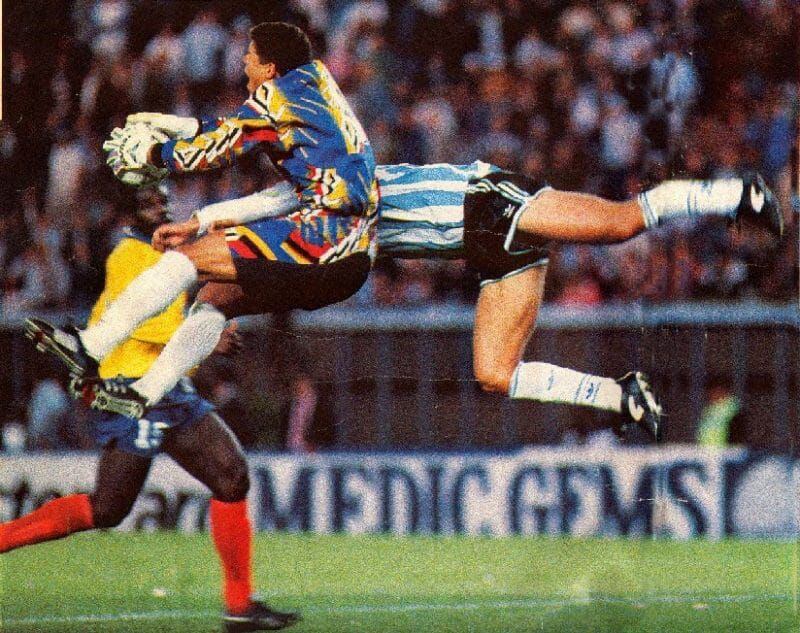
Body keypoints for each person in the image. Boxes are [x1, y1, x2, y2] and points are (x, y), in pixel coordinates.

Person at [44, 159, 783, 442]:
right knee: (494, 374)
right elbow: (275, 211)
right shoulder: (318, 218)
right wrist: (212, 230)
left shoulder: (334, 178)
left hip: (491, 203)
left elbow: (276, 200)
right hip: (491, 253)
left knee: (621, 223)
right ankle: (622, 395)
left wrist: (206, 221)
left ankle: (735, 192)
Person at [25, 21, 378, 419]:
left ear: (271, 68)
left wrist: (152, 155)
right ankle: (144, 393)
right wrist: (199, 216)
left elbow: (215, 150)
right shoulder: (317, 89)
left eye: (251, 56)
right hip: (352, 258)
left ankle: (91, 346)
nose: (243, 62)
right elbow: (258, 156)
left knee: (188, 259)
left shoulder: (277, 97)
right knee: (215, 296)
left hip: (324, 240)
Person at [8, 186, 300, 632]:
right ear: (128, 213)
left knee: (231, 475)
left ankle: (239, 606)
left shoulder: (168, 253)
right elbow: (145, 328)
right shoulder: (129, 255)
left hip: (169, 391)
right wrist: (210, 336)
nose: (161, 207)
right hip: (132, 388)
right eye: (149, 202)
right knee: (108, 508)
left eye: (163, 199)